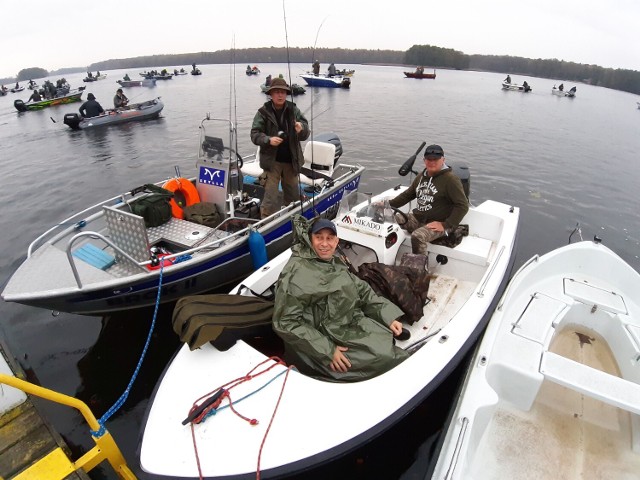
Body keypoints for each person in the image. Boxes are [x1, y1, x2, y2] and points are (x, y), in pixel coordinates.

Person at [272, 216, 409, 382]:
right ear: (310, 239)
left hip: (344, 320)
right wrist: (328, 351)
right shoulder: (298, 271)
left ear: (337, 241)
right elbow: (286, 322)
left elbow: (362, 289)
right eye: (319, 238)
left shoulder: (333, 261)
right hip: (320, 339)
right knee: (383, 357)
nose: (324, 244)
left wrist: (388, 316)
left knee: (385, 339)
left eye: (329, 238)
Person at [387, 144, 468, 256]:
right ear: (424, 160)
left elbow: (463, 206)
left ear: (443, 160)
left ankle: (418, 268)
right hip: (418, 218)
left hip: (438, 223)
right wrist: (387, 204)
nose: (432, 162)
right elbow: (407, 195)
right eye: (429, 159)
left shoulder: (451, 180)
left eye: (436, 159)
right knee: (387, 218)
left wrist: (446, 225)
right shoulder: (421, 176)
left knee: (418, 236)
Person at [250, 77, 310, 219]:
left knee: (294, 197)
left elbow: (306, 133)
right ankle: (265, 224)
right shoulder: (263, 112)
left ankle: (293, 221)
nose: (280, 95)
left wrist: (301, 128)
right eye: (277, 92)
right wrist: (268, 140)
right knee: (270, 197)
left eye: (283, 92)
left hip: (291, 161)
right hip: (272, 163)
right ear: (271, 94)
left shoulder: (293, 109)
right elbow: (254, 134)